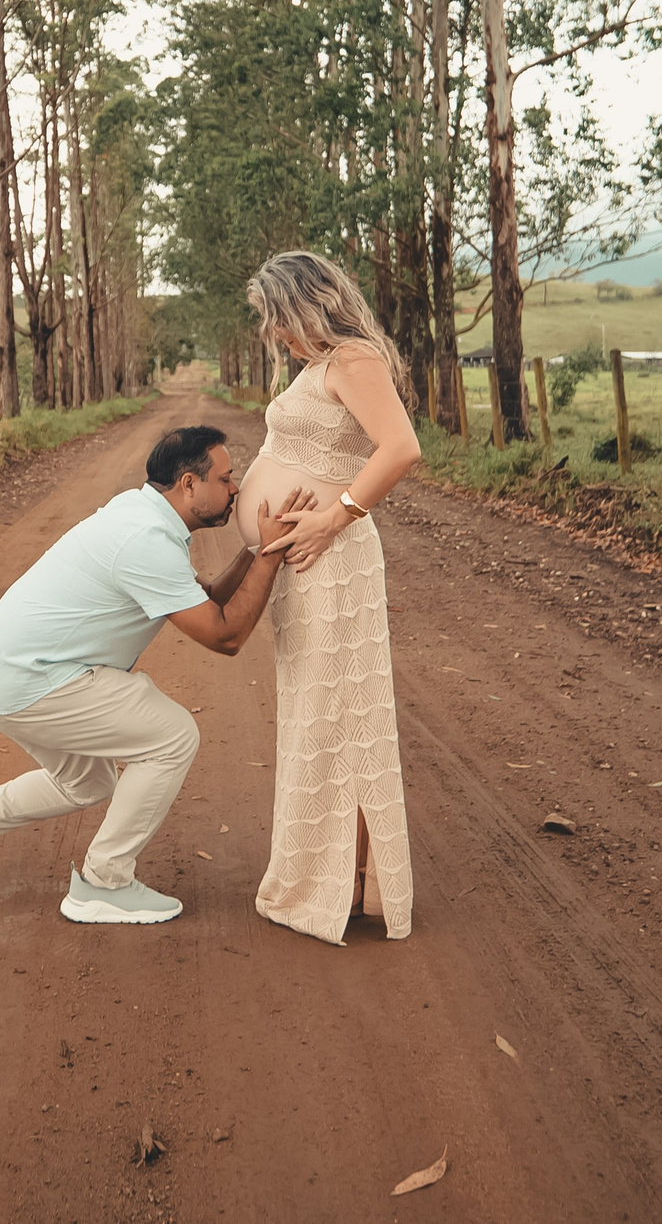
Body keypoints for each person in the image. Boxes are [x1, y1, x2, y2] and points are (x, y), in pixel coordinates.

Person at [0, 427, 316, 926]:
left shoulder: (143, 516)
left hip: (8, 673)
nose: (236, 489)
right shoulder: (145, 540)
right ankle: (105, 881)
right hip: (32, 677)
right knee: (173, 737)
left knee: (84, 782)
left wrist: (254, 548)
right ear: (188, 484)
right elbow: (224, 636)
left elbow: (208, 597)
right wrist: (271, 555)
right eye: (226, 478)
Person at [239, 250, 425, 943]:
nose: (274, 333)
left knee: (340, 715)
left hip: (334, 559)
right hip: (305, 565)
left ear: (307, 302)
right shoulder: (318, 367)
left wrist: (333, 513)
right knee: (322, 714)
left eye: (277, 317)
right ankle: (336, 879)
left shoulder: (352, 359)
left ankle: (343, 885)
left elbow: (401, 448)